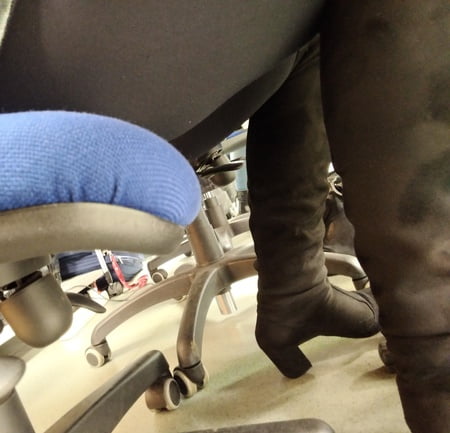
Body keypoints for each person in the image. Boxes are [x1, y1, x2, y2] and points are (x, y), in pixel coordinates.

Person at [0, 2, 447, 432]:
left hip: (87, 70)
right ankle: (436, 372)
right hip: (46, 89)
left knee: (314, 39)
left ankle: (297, 290)